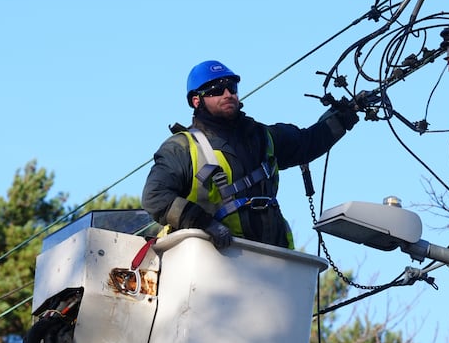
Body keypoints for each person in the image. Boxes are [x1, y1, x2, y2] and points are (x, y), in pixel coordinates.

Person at [142, 60, 359, 250]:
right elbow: (155, 197)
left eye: (231, 87)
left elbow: (307, 142)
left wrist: (344, 117)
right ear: (196, 101)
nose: (228, 94)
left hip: (270, 261)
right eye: (217, 90)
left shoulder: (263, 137)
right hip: (211, 262)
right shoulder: (182, 148)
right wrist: (205, 224)